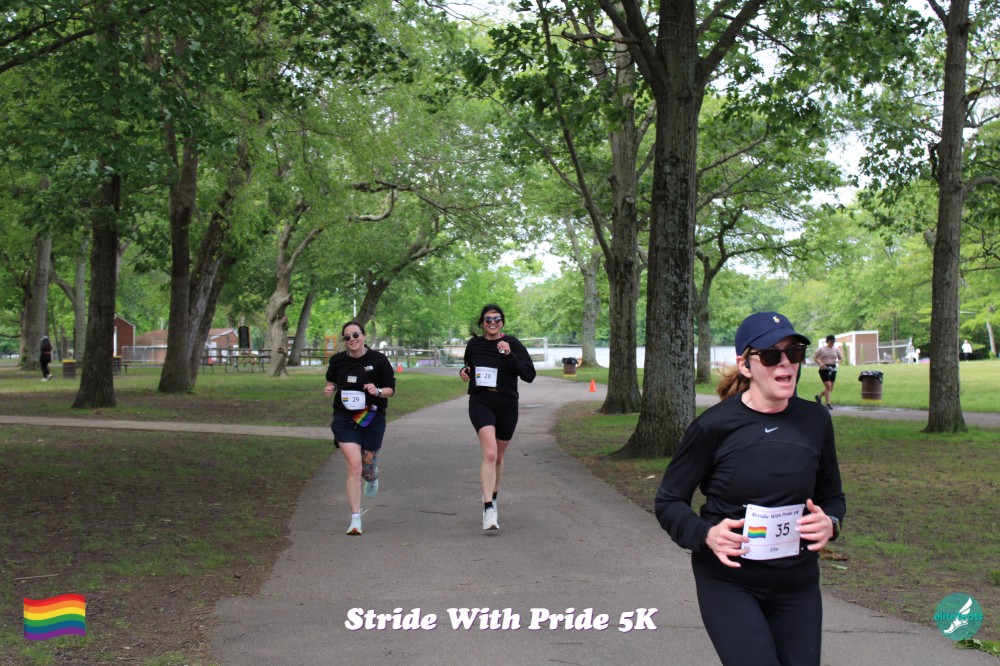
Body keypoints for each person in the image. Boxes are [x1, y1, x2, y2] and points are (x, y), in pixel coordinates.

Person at [655, 311, 845, 666]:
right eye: (771, 355)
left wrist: (830, 522)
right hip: (730, 581)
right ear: (745, 365)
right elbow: (669, 501)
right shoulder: (713, 427)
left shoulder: (815, 420)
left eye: (794, 353)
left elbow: (832, 497)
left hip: (797, 582)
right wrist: (706, 534)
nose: (785, 363)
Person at [459, 304, 536, 532]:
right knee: (490, 453)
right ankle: (488, 509)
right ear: (482, 323)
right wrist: (463, 372)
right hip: (481, 401)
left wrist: (510, 354)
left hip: (507, 404)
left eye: (496, 319)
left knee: (499, 457)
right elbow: (469, 367)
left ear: (502, 322)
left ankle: (493, 496)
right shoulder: (474, 344)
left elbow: (529, 375)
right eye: (488, 319)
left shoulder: (512, 343)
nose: (492, 323)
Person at [324, 321, 396, 536]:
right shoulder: (338, 361)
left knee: (366, 468)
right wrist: (330, 387)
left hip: (371, 416)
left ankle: (372, 476)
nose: (352, 339)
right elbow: (332, 381)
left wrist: (378, 390)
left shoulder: (378, 360)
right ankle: (355, 518)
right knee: (354, 465)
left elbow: (390, 389)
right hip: (345, 418)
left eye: (355, 335)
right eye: (347, 337)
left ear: (363, 335)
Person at [813, 334, 843, 410]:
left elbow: (840, 358)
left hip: (833, 368)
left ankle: (819, 397)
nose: (832, 343)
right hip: (824, 368)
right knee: (828, 386)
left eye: (833, 341)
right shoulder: (822, 349)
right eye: (831, 341)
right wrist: (820, 363)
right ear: (827, 341)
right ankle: (828, 404)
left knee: (830, 388)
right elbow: (815, 357)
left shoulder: (836, 349)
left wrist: (839, 361)